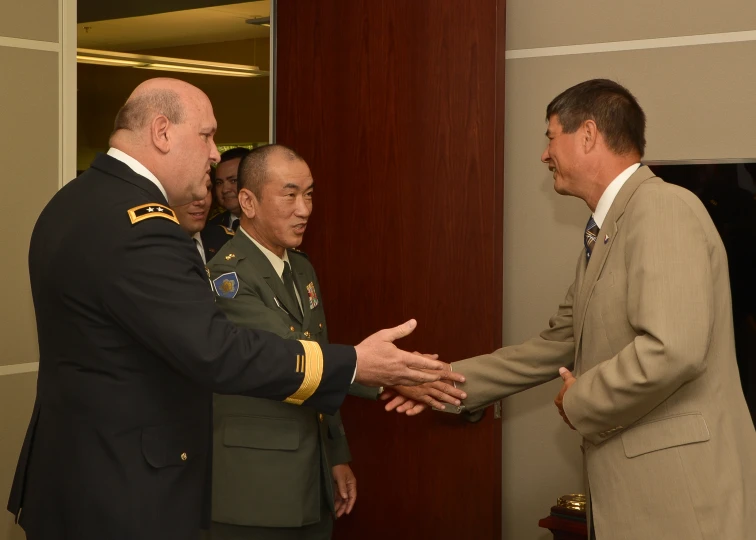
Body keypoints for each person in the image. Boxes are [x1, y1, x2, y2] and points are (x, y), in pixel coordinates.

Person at [6, 77, 464, 540]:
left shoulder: (74, 201)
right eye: (206, 135)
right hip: (125, 490)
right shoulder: (143, 225)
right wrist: (357, 364)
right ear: (162, 132)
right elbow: (216, 351)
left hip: (77, 475)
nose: (213, 153)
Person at [386, 79, 756, 539]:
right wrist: (441, 382)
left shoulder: (662, 209)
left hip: (680, 498)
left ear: (587, 135)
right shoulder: (605, 231)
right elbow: (557, 344)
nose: (544, 154)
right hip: (640, 498)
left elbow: (673, 349)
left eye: (549, 136)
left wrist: (579, 398)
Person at [207, 144, 385, 539]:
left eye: (309, 194)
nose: (304, 209)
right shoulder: (227, 279)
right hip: (254, 488)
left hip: (310, 474)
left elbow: (318, 358)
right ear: (247, 202)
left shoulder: (300, 267)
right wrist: (389, 375)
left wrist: (336, 455)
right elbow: (295, 356)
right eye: (290, 194)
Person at [202, 147, 249, 261]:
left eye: (233, 181)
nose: (224, 189)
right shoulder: (209, 226)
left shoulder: (270, 224)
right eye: (219, 183)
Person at [173, 176, 213, 263]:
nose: (201, 202)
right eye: (188, 191)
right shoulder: (154, 249)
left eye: (207, 188)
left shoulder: (225, 240)